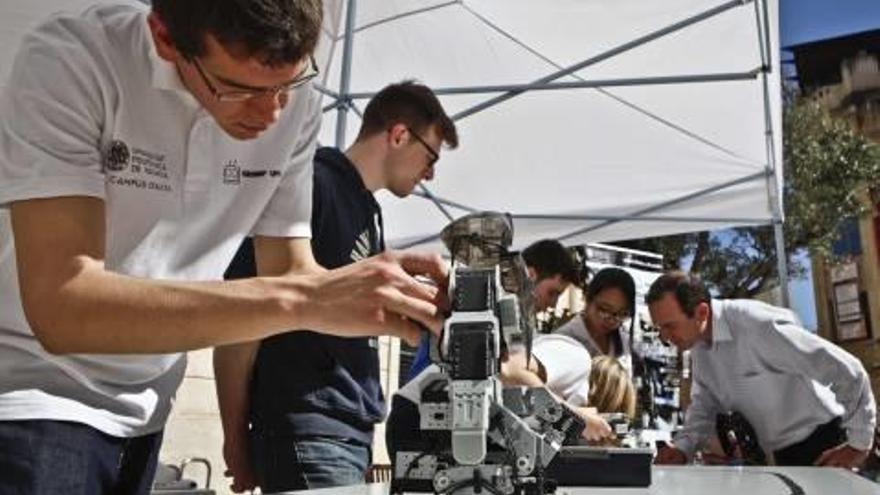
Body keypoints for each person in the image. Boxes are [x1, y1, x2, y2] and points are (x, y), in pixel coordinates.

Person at [0, 2, 447, 494]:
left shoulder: (294, 108)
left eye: (288, 84)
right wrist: (308, 300)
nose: (270, 112)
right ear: (166, 39)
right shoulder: (73, 60)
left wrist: (387, 295)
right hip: (36, 395)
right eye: (239, 88)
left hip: (148, 411)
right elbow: (63, 306)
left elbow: (289, 275)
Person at [216, 81, 459, 493]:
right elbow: (240, 319)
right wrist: (235, 440)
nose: (430, 173)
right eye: (431, 155)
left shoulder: (368, 211)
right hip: (309, 430)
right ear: (399, 135)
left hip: (346, 435)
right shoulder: (313, 187)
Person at [648, 272, 876, 468]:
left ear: (701, 313)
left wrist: (859, 442)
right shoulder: (698, 347)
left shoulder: (756, 325)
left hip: (826, 441)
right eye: (660, 328)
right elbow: (704, 406)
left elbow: (849, 370)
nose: (665, 337)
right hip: (781, 454)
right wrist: (681, 449)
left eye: (670, 326)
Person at [407, 238, 581, 380]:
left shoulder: (517, 320)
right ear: (530, 275)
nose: (553, 304)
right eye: (553, 293)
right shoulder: (476, 296)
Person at [555, 267, 636, 372]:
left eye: (622, 314)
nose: (611, 320)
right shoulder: (564, 339)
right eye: (604, 310)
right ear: (587, 300)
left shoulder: (623, 341)